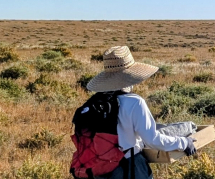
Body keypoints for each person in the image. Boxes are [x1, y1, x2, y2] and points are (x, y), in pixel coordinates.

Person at [84, 46, 197, 179]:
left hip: (97, 168)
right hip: (129, 167)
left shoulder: (92, 104)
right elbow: (153, 140)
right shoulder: (134, 102)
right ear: (131, 75)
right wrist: (184, 143)